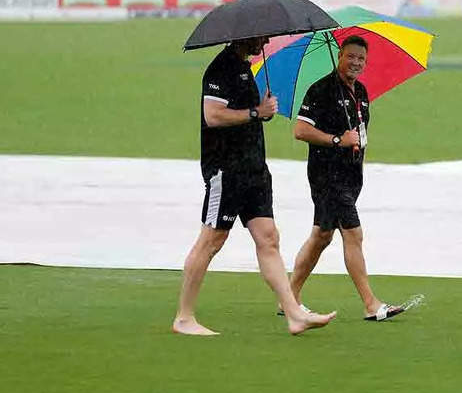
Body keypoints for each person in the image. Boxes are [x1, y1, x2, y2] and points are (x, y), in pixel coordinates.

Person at [173, 36, 337, 336]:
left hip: (253, 170)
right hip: (226, 170)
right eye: (261, 37)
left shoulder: (246, 67)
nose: (266, 41)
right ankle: (184, 318)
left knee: (268, 237)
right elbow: (212, 116)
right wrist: (255, 113)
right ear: (242, 35)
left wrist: (262, 110)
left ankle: (293, 313)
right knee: (212, 239)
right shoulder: (220, 69)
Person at [289, 35, 406, 321]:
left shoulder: (361, 92)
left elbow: (360, 132)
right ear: (340, 56)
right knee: (353, 233)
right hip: (328, 176)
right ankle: (370, 304)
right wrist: (338, 139)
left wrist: (354, 142)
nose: (356, 62)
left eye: (361, 59)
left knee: (321, 235)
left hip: (352, 176)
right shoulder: (321, 90)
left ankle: (288, 297)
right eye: (351, 56)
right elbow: (300, 130)